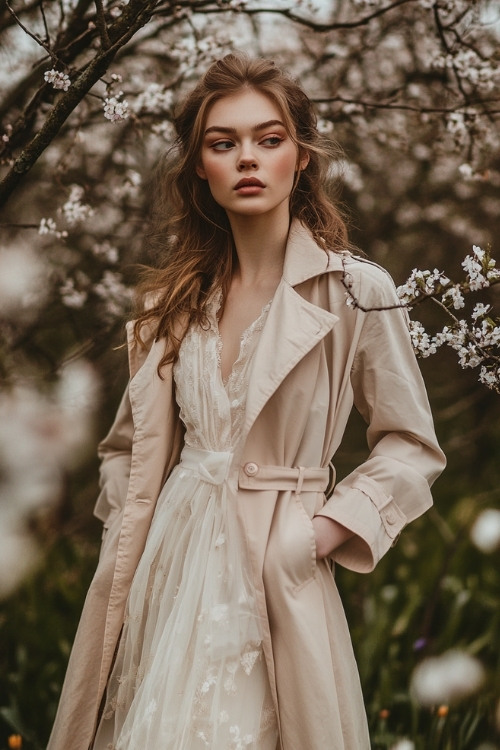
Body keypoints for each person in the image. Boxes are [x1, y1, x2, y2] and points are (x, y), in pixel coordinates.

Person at [47, 53, 446, 750]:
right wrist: (133, 526)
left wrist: (318, 533)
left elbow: (410, 444)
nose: (248, 159)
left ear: (302, 156)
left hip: (277, 569)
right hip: (164, 576)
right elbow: (126, 447)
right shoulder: (166, 306)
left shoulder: (355, 291)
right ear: (200, 166)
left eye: (270, 139)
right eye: (223, 143)